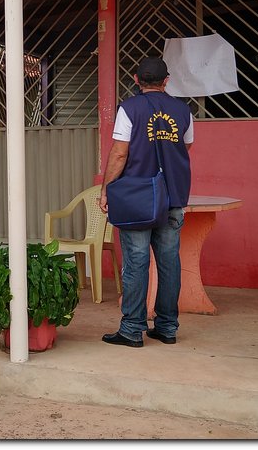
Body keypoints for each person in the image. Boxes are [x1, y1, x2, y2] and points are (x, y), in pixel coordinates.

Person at [99, 56, 194, 348]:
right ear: (166, 81)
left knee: (137, 262)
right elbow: (186, 145)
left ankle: (131, 330)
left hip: (137, 198)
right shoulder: (184, 111)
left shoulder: (129, 108)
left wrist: (106, 190)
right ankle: (166, 328)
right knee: (168, 263)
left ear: (137, 81)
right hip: (174, 197)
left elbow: (118, 153)